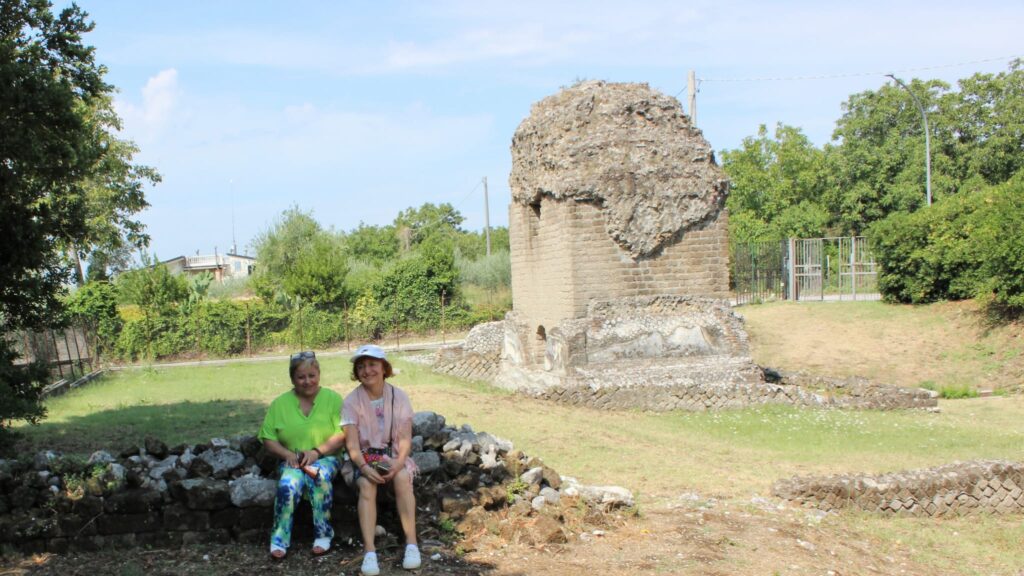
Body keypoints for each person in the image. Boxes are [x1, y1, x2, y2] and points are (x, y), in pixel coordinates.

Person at [258, 350, 346, 560]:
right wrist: (287, 454)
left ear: (318, 374)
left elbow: (343, 433)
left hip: (326, 457)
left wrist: (317, 452)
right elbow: (267, 437)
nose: (307, 381)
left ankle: (323, 534)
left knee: (318, 475)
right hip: (293, 460)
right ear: (293, 379)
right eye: (301, 377)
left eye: (311, 375)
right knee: (289, 483)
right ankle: (279, 539)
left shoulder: (333, 399)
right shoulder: (280, 404)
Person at [343, 344, 420, 575]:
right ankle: (369, 551)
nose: (367, 370)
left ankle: (412, 544)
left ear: (384, 367)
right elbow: (352, 446)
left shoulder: (399, 397)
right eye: (361, 366)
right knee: (366, 484)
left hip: (392, 456)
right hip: (363, 459)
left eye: (372, 364)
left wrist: (398, 464)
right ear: (356, 372)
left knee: (403, 477)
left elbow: (405, 439)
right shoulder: (351, 402)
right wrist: (364, 468)